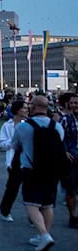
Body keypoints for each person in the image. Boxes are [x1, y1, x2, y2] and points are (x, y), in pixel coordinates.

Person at [11, 95, 65, 251]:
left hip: (31, 169)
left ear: (33, 107)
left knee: (31, 204)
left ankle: (44, 235)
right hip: (52, 170)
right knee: (48, 204)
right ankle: (44, 235)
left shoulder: (24, 127)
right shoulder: (57, 126)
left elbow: (15, 145)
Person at [0, 100, 27, 222]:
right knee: (13, 188)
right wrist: (12, 143)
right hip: (13, 160)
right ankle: (5, 210)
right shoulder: (7, 126)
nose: (26, 110)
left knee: (29, 188)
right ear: (17, 110)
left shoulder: (28, 125)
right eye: (24, 108)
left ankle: (33, 216)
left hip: (27, 160)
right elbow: (1, 142)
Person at [58, 93, 78, 229]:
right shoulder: (63, 119)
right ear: (66, 103)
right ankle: (73, 216)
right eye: (73, 103)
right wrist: (63, 152)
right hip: (70, 158)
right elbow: (58, 138)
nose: (75, 105)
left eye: (77, 103)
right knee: (71, 189)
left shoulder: (75, 118)